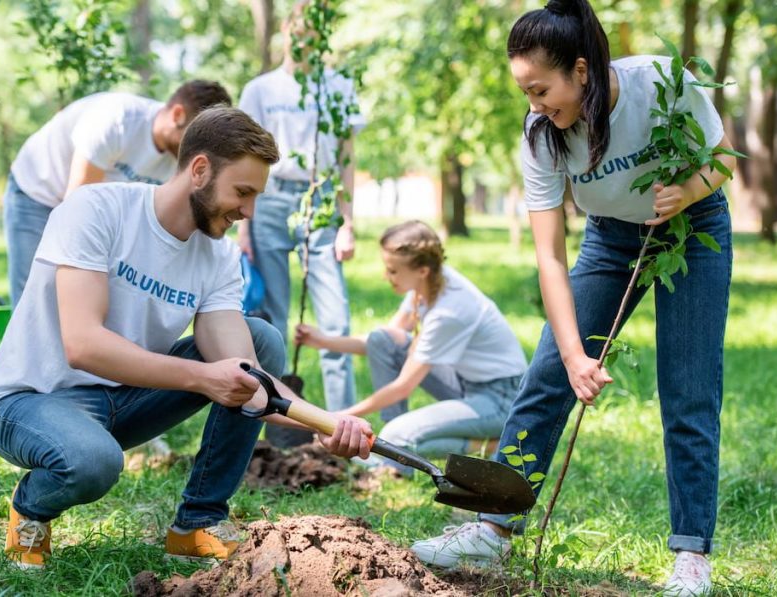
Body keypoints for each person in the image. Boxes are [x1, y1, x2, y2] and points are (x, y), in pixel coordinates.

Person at [410, 2, 736, 595]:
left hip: (694, 230)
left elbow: (721, 157)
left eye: (540, 90)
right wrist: (573, 355)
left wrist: (687, 192)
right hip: (610, 237)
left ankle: (693, 555)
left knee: (689, 388)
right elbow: (551, 257)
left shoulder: (664, 86)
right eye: (525, 93)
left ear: (581, 71)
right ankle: (491, 527)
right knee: (544, 378)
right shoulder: (542, 136)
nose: (534, 106)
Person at [0, 107, 372, 570]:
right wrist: (203, 378)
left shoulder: (219, 257)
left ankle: (197, 523)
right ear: (200, 170)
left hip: (124, 401)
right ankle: (30, 511)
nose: (248, 212)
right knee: (92, 462)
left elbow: (248, 376)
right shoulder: (97, 209)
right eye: (242, 192)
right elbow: (82, 344)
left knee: (260, 337)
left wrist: (325, 424)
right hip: (31, 401)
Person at [295, 221, 526, 471]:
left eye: (393, 271)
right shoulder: (427, 284)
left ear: (422, 270)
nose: (387, 276)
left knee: (399, 436)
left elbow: (402, 387)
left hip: (501, 400)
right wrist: (322, 341)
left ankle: (486, 445)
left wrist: (341, 417)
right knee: (381, 340)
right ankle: (390, 449)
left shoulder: (450, 311)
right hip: (465, 384)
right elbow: (383, 340)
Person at [237, 1, 365, 411]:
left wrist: (348, 221)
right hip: (270, 199)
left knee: (334, 318)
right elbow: (244, 155)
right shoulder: (261, 90)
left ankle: (341, 421)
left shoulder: (339, 85)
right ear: (286, 31)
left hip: (321, 198)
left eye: (313, 29)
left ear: (323, 34)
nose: (303, 37)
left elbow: (347, 157)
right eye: (297, 27)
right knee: (271, 315)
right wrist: (244, 225)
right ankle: (269, 411)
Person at [4, 80, 231, 305]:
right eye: (196, 138)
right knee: (36, 294)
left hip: (87, 206)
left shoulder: (183, 158)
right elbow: (76, 206)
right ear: (178, 114)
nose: (198, 151)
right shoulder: (117, 119)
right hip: (37, 191)